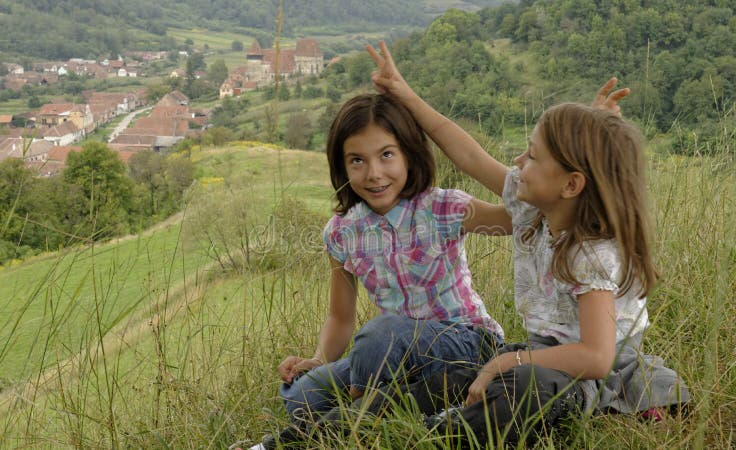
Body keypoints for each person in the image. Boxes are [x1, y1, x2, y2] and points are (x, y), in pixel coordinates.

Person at [321, 41, 690, 446]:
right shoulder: (535, 210)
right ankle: (324, 430)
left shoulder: (591, 255)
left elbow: (596, 358)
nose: (517, 162)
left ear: (571, 184)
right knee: (445, 382)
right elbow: (468, 155)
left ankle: (425, 435)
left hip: (582, 378)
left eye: (531, 156)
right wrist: (403, 91)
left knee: (520, 389)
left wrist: (506, 361)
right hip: (538, 356)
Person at [238, 92, 512, 450]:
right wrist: (319, 360)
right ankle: (390, 407)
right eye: (357, 161)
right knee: (301, 397)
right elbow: (340, 317)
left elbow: (513, 217)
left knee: (382, 332)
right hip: (391, 358)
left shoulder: (442, 208)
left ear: (409, 155)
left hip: (466, 343)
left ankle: (353, 425)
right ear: (341, 166)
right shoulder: (341, 233)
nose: (373, 174)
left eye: (386, 155)